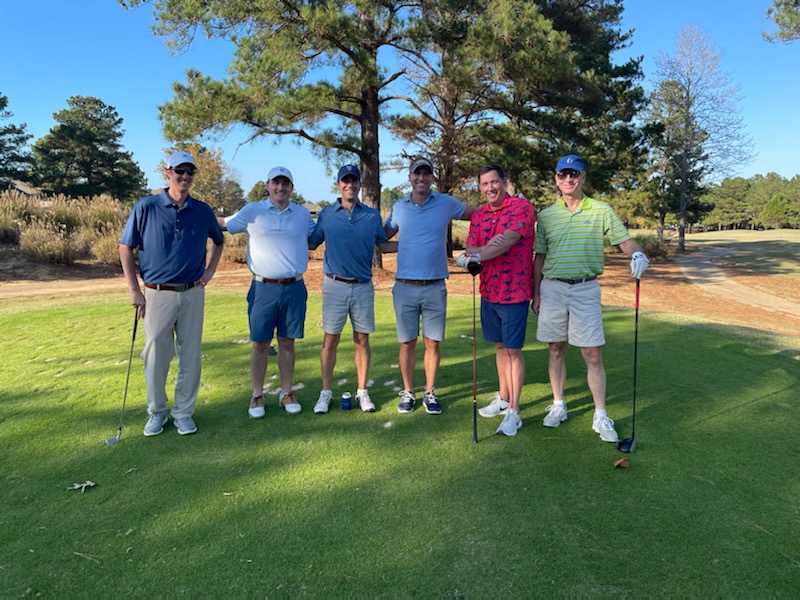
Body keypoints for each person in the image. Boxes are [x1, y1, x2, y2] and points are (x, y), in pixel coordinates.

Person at [531, 154, 650, 442]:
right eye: (563, 174)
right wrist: (535, 293)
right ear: (556, 179)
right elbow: (539, 257)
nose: (568, 179)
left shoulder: (601, 210)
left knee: (593, 353)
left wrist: (637, 253)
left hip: (585, 288)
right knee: (556, 348)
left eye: (574, 174)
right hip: (552, 288)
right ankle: (558, 404)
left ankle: (600, 414)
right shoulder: (546, 216)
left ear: (583, 177)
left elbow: (624, 240)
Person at [119, 150, 225, 437]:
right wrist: (134, 290)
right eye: (180, 171)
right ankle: (157, 412)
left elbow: (219, 241)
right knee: (155, 354)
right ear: (168, 173)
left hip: (192, 292)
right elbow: (125, 247)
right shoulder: (146, 207)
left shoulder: (202, 210)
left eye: (190, 171)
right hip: (156, 293)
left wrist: (210, 271)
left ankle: (183, 412)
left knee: (190, 355)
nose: (185, 176)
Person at [219, 166, 315, 418]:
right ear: (267, 185)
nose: (280, 188)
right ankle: (257, 395)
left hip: (294, 287)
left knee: (287, 342)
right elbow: (224, 224)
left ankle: (286, 393)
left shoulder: (303, 214)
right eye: (276, 183)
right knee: (261, 343)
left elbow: (316, 238)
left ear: (291, 187)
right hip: (263, 288)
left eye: (285, 183)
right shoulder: (252, 210)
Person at [384, 157, 475, 414]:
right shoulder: (399, 207)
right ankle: (408, 392)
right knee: (407, 342)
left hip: (435, 285)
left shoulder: (446, 203)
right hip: (404, 286)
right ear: (410, 177)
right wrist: (405, 244)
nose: (421, 178)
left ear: (432, 178)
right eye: (417, 174)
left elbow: (477, 215)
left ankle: (429, 392)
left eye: (426, 174)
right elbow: (382, 238)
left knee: (432, 342)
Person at [308, 165, 396, 414]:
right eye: (345, 181)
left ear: (359, 184)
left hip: (362, 287)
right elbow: (312, 243)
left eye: (354, 181)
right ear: (338, 185)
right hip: (334, 285)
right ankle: (326, 393)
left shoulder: (371, 216)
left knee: (362, 339)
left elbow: (384, 245)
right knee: (330, 340)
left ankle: (362, 391)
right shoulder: (326, 214)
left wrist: (415, 243)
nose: (350, 185)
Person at [457, 164, 535, 437]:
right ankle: (503, 398)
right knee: (500, 347)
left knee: (513, 351)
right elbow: (470, 247)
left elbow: (508, 241)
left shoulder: (522, 208)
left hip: (514, 292)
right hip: (489, 291)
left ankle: (514, 411)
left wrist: (480, 253)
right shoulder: (479, 215)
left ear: (504, 182)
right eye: (484, 184)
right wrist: (480, 251)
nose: (490, 188)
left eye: (494, 182)